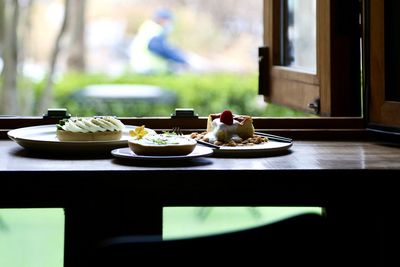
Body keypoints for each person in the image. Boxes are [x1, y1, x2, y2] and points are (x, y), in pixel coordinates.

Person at [129, 8, 189, 74]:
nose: (170, 24)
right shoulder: (154, 30)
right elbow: (160, 49)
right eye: (169, 21)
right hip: (147, 68)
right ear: (160, 19)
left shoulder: (149, 28)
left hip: (141, 66)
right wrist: (182, 60)